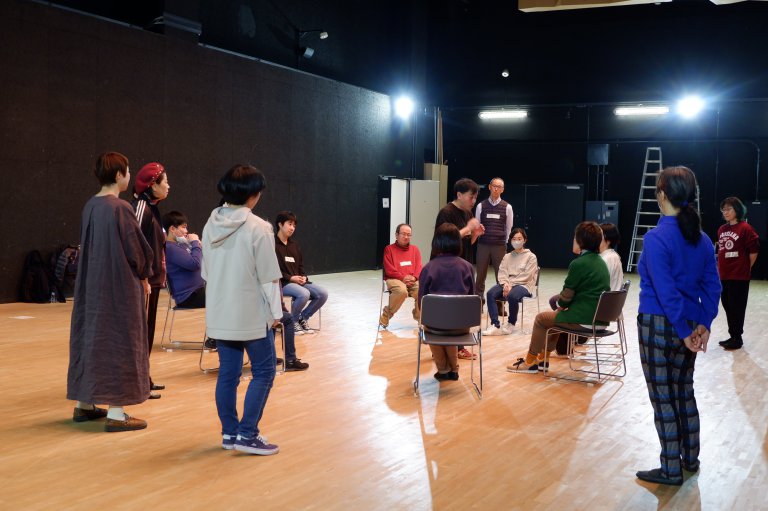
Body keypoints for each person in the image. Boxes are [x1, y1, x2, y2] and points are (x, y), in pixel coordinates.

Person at [634, 166, 721, 486]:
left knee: (663, 398)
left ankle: (671, 468)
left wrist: (686, 333)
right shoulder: (702, 239)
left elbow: (665, 291)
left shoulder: (656, 238)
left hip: (659, 325)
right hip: (689, 323)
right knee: (684, 392)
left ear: (661, 195)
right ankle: (690, 458)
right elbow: (713, 287)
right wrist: (703, 325)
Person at [67, 151, 154, 432]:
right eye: (127, 171)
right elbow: (136, 250)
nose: (129, 175)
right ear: (118, 175)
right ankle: (117, 413)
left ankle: (84, 403)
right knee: (120, 341)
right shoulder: (120, 208)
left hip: (92, 286)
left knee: (92, 338)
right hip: (118, 287)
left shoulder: (90, 205)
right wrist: (145, 274)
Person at [202, 164, 283, 455]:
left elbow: (206, 273)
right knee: (264, 372)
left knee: (228, 374)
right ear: (253, 194)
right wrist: (276, 314)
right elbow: (269, 278)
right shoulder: (259, 228)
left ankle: (230, 433)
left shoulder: (209, 224)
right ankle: (247, 434)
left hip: (220, 312)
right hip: (251, 314)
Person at [508, 221, 610, 373]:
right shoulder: (601, 262)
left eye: (575, 237)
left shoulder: (579, 263)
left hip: (586, 319)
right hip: (600, 319)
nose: (573, 240)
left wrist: (559, 306)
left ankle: (530, 362)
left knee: (541, 319)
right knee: (554, 319)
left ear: (581, 241)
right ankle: (542, 360)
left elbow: (565, 297)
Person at [131, 162, 170, 398]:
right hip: (144, 282)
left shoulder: (153, 209)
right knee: (141, 332)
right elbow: (134, 243)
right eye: (165, 182)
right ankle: (138, 381)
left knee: (148, 331)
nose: (168, 186)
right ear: (152, 185)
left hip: (153, 280)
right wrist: (143, 276)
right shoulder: (141, 208)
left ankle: (144, 377)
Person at [434, 178, 484, 360]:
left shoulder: (467, 212)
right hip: (447, 267)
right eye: (471, 197)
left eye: (475, 197)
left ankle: (458, 346)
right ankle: (442, 345)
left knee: (463, 306)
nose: (473, 201)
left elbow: (466, 242)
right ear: (459, 195)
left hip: (463, 265)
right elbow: (445, 239)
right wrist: (468, 228)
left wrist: (475, 234)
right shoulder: (446, 212)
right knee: (447, 307)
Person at [418, 223, 475, 381]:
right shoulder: (468, 267)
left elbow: (421, 302)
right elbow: (472, 298)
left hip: (435, 327)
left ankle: (443, 370)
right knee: (451, 321)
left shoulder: (428, 268)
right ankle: (454, 370)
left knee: (433, 326)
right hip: (461, 327)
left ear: (436, 242)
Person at [274, 211, 329, 335]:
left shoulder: (294, 245)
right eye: (289, 224)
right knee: (303, 294)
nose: (292, 228)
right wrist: (291, 278)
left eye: (294, 225)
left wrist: (304, 277)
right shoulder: (272, 244)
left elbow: (300, 266)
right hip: (282, 282)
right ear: (280, 224)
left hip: (297, 282)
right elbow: (273, 270)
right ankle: (291, 322)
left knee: (322, 293)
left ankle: (302, 318)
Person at [716, 197, 759, 350]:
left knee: (737, 307)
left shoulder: (745, 228)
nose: (725, 212)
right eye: (723, 209)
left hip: (739, 276)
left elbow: (753, 252)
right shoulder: (722, 230)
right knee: (727, 305)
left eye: (729, 209)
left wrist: (745, 268)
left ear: (737, 210)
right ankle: (733, 335)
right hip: (724, 276)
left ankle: (737, 338)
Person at [483, 228, 538, 336]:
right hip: (507, 284)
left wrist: (510, 285)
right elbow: (502, 272)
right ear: (510, 240)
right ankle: (495, 325)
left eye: (519, 239)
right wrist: (505, 284)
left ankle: (511, 323)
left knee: (512, 296)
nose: (516, 241)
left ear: (525, 240)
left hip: (523, 285)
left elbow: (527, 276)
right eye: (514, 239)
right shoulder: (507, 256)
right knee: (490, 293)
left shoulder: (531, 257)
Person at [474, 177, 514, 301]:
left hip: (500, 246)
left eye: (499, 187)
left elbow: (509, 227)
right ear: (490, 187)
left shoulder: (507, 207)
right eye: (494, 186)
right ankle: (478, 301)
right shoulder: (481, 206)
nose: (496, 189)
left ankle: (500, 304)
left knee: (501, 276)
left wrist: (504, 241)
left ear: (502, 190)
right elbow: (477, 226)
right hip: (483, 245)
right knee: (480, 275)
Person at [379, 223, 422, 328]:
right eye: (403, 234)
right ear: (396, 235)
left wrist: (414, 277)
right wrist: (403, 278)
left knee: (422, 290)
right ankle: (386, 315)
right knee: (402, 291)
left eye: (409, 234)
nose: (406, 237)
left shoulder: (415, 249)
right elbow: (389, 269)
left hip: (412, 279)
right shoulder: (389, 249)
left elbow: (419, 267)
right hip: (394, 279)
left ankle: (420, 317)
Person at [163, 210, 205, 309]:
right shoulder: (170, 248)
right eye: (183, 227)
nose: (186, 231)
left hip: (197, 291)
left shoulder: (181, 244)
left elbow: (201, 261)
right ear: (172, 229)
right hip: (189, 296)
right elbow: (195, 264)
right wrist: (195, 243)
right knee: (225, 295)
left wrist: (199, 246)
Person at [599, 223, 624, 291]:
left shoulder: (605, 259)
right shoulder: (613, 256)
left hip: (605, 296)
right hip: (612, 296)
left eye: (599, 236)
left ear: (608, 241)